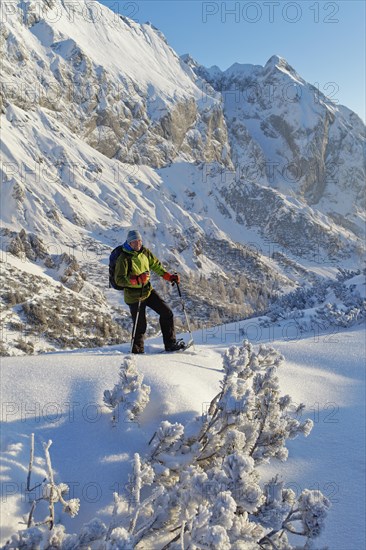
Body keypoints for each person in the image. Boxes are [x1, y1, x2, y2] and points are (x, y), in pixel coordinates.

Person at [114, 229, 184, 354]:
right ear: (129, 243)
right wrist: (136, 280)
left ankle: (170, 344)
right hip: (134, 296)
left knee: (167, 313)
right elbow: (119, 280)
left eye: (139, 241)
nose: (137, 244)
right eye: (134, 242)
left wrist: (169, 277)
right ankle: (137, 351)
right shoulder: (123, 258)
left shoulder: (145, 252)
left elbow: (156, 265)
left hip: (147, 290)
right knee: (140, 326)